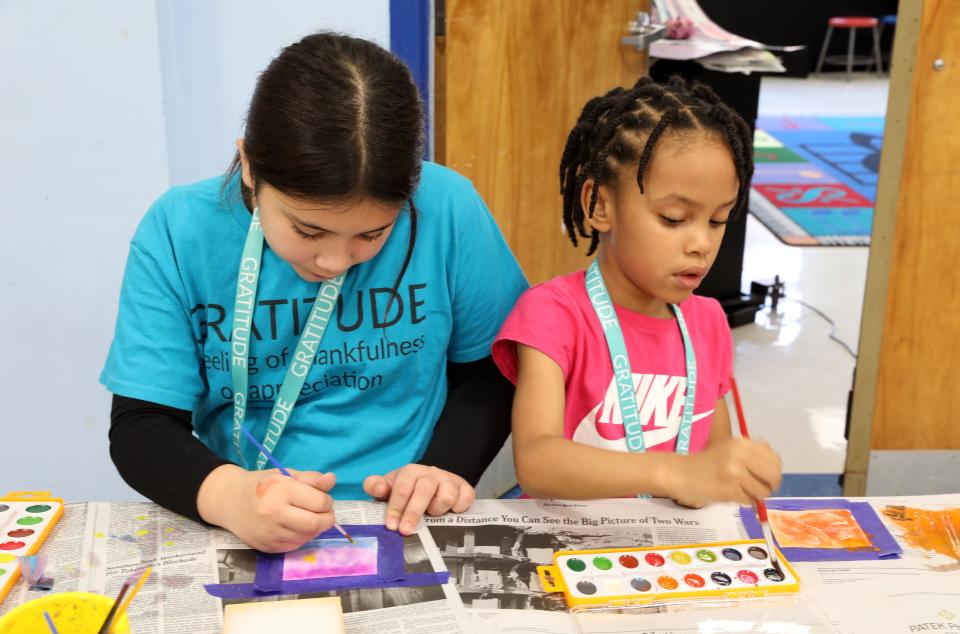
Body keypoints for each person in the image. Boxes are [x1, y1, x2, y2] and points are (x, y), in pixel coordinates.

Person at [102, 32, 528, 552]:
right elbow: (141, 424)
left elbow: (492, 373)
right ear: (251, 166)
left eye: (373, 234)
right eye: (307, 231)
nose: (334, 262)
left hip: (406, 515)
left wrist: (441, 468)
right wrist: (231, 495)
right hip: (245, 515)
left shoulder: (448, 207)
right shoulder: (178, 229)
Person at [492, 76, 781, 507]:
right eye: (673, 218)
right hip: (572, 548)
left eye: (718, 221)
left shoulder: (708, 322)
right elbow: (537, 461)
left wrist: (735, 472)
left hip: (670, 554)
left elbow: (713, 460)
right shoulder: (553, 314)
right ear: (600, 205)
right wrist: (674, 474)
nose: (701, 243)